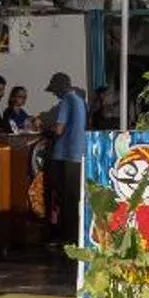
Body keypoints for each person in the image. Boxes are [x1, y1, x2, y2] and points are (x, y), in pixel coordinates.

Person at [42, 71, 86, 252]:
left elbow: (59, 129)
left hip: (65, 155)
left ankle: (65, 238)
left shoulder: (66, 101)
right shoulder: (80, 101)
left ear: (61, 88)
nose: (55, 94)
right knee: (74, 198)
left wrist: (46, 129)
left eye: (55, 91)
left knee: (64, 199)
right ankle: (74, 236)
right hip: (77, 154)